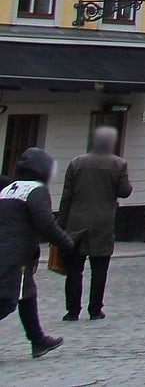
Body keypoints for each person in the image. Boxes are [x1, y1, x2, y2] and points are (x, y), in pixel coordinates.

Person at [0, 148, 77, 358]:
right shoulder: (36, 190)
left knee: (27, 295)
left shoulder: (8, 189)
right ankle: (38, 340)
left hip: (9, 252)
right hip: (16, 256)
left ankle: (38, 340)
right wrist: (65, 241)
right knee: (6, 300)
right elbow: (45, 222)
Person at [59, 126, 131, 321]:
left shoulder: (76, 163)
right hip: (103, 223)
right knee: (99, 270)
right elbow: (125, 191)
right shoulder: (119, 164)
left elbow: (66, 197)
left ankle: (72, 311)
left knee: (74, 270)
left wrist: (61, 225)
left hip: (77, 222)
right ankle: (95, 309)